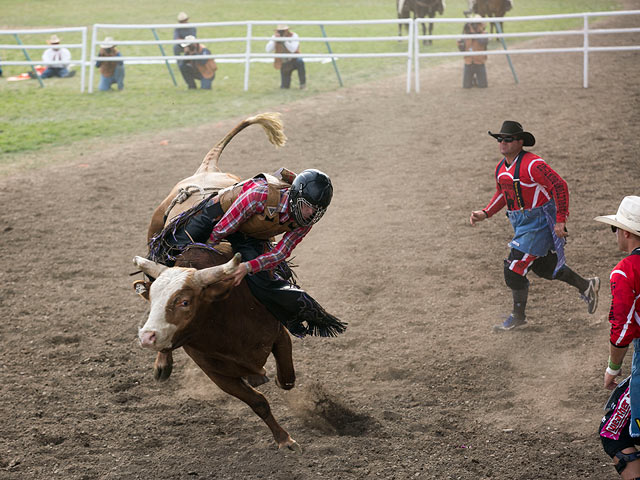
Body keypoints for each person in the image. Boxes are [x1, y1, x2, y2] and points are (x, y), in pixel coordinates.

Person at [148, 168, 346, 338]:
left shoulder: (305, 222)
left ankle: (296, 317)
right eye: (307, 206)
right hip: (218, 217)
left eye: (317, 211)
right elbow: (222, 229)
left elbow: (280, 253)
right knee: (169, 249)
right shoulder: (260, 195)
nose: (311, 214)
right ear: (295, 197)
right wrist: (209, 250)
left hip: (249, 233)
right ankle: (152, 291)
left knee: (265, 283)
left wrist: (248, 266)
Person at [469, 120, 599, 331]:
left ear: (520, 142)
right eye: (500, 139)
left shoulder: (533, 164)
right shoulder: (501, 168)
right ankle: (586, 285)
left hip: (538, 223)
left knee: (513, 269)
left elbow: (559, 185)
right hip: (521, 223)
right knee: (544, 267)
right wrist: (486, 213)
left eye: (508, 139)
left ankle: (518, 316)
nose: (502, 142)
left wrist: (560, 219)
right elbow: (503, 193)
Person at [597, 196, 640, 479]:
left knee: (613, 432)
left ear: (625, 232)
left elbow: (623, 328)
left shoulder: (626, 270)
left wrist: (613, 367)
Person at [265, 25, 306, 90]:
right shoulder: (274, 37)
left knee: (300, 62)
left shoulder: (293, 36)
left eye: (282, 31)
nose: (281, 33)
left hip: (294, 60)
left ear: (287, 31)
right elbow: (267, 50)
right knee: (284, 87)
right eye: (279, 31)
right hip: (284, 63)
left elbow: (293, 49)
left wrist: (284, 40)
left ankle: (302, 84)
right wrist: (274, 40)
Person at [457, 16, 488, 89]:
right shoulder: (465, 35)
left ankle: (476, 80)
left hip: (479, 62)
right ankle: (473, 80)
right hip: (469, 62)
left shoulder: (484, 34)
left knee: (483, 86)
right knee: (466, 86)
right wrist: (460, 44)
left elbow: (483, 42)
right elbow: (462, 50)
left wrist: (474, 33)